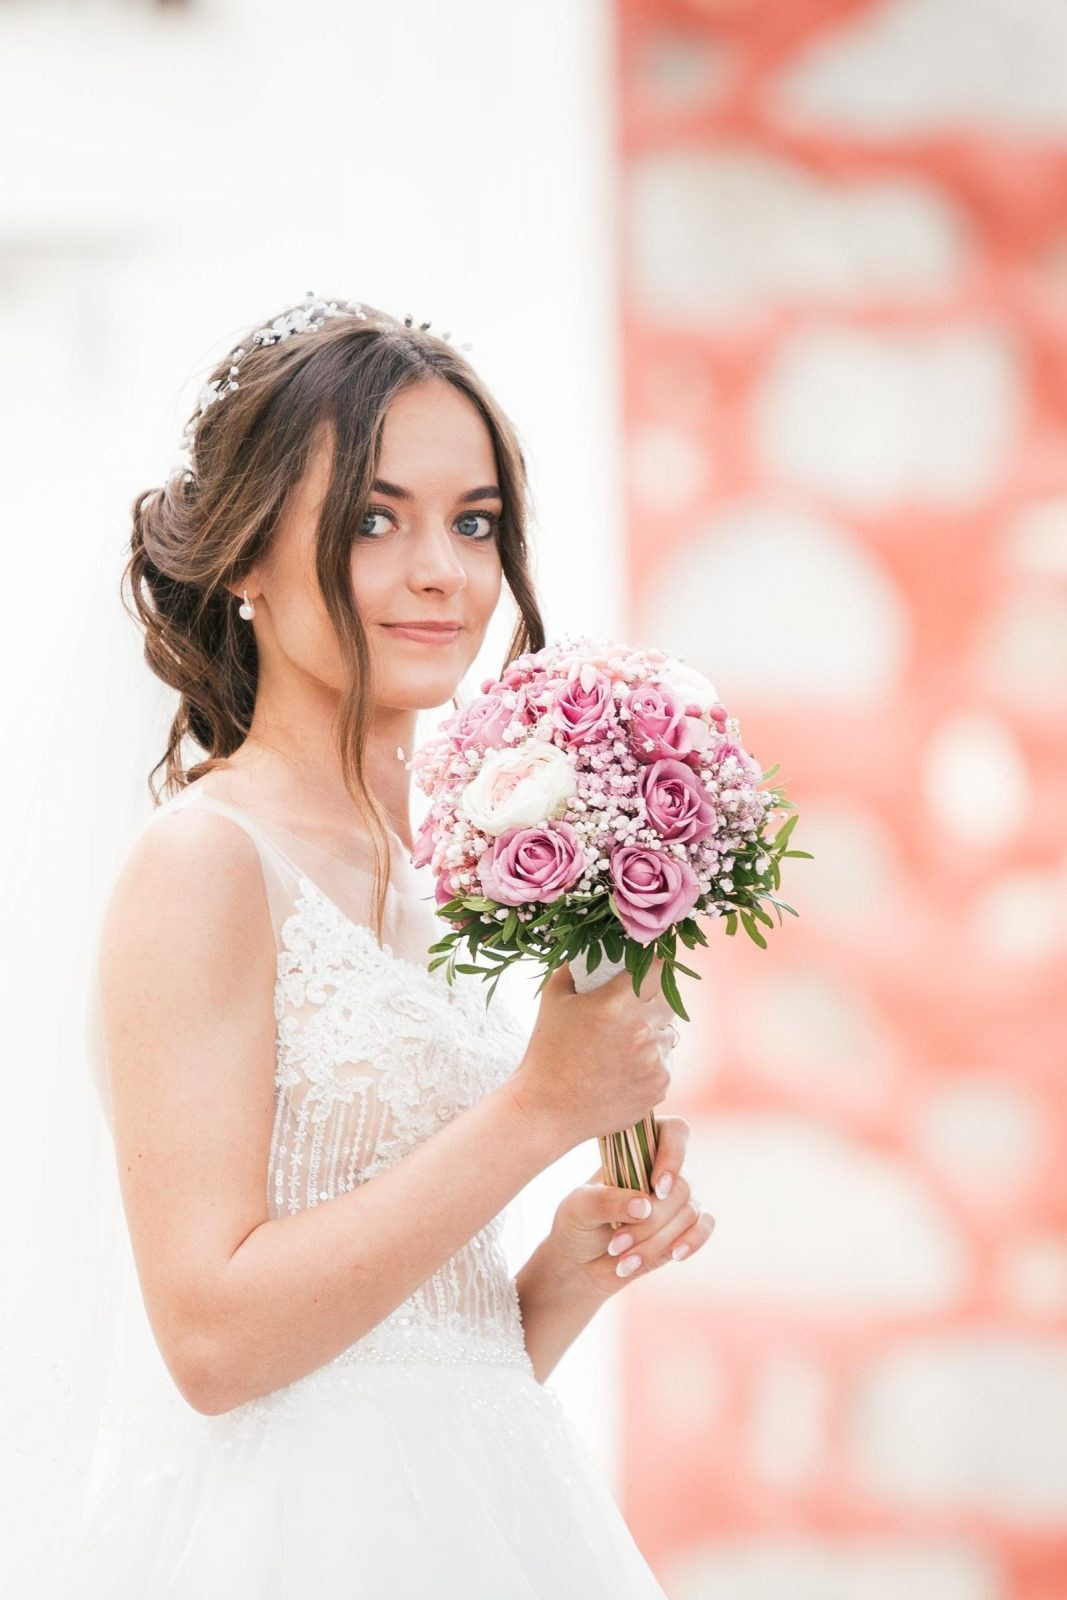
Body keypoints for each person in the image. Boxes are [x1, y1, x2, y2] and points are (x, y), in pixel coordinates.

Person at [58, 294, 715, 1596]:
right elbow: (215, 1342)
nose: (443, 571)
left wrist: (553, 1284)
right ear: (245, 559)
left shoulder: (454, 867)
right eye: (376, 518)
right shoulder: (209, 863)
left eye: (474, 523)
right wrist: (538, 1111)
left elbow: (394, 1383)